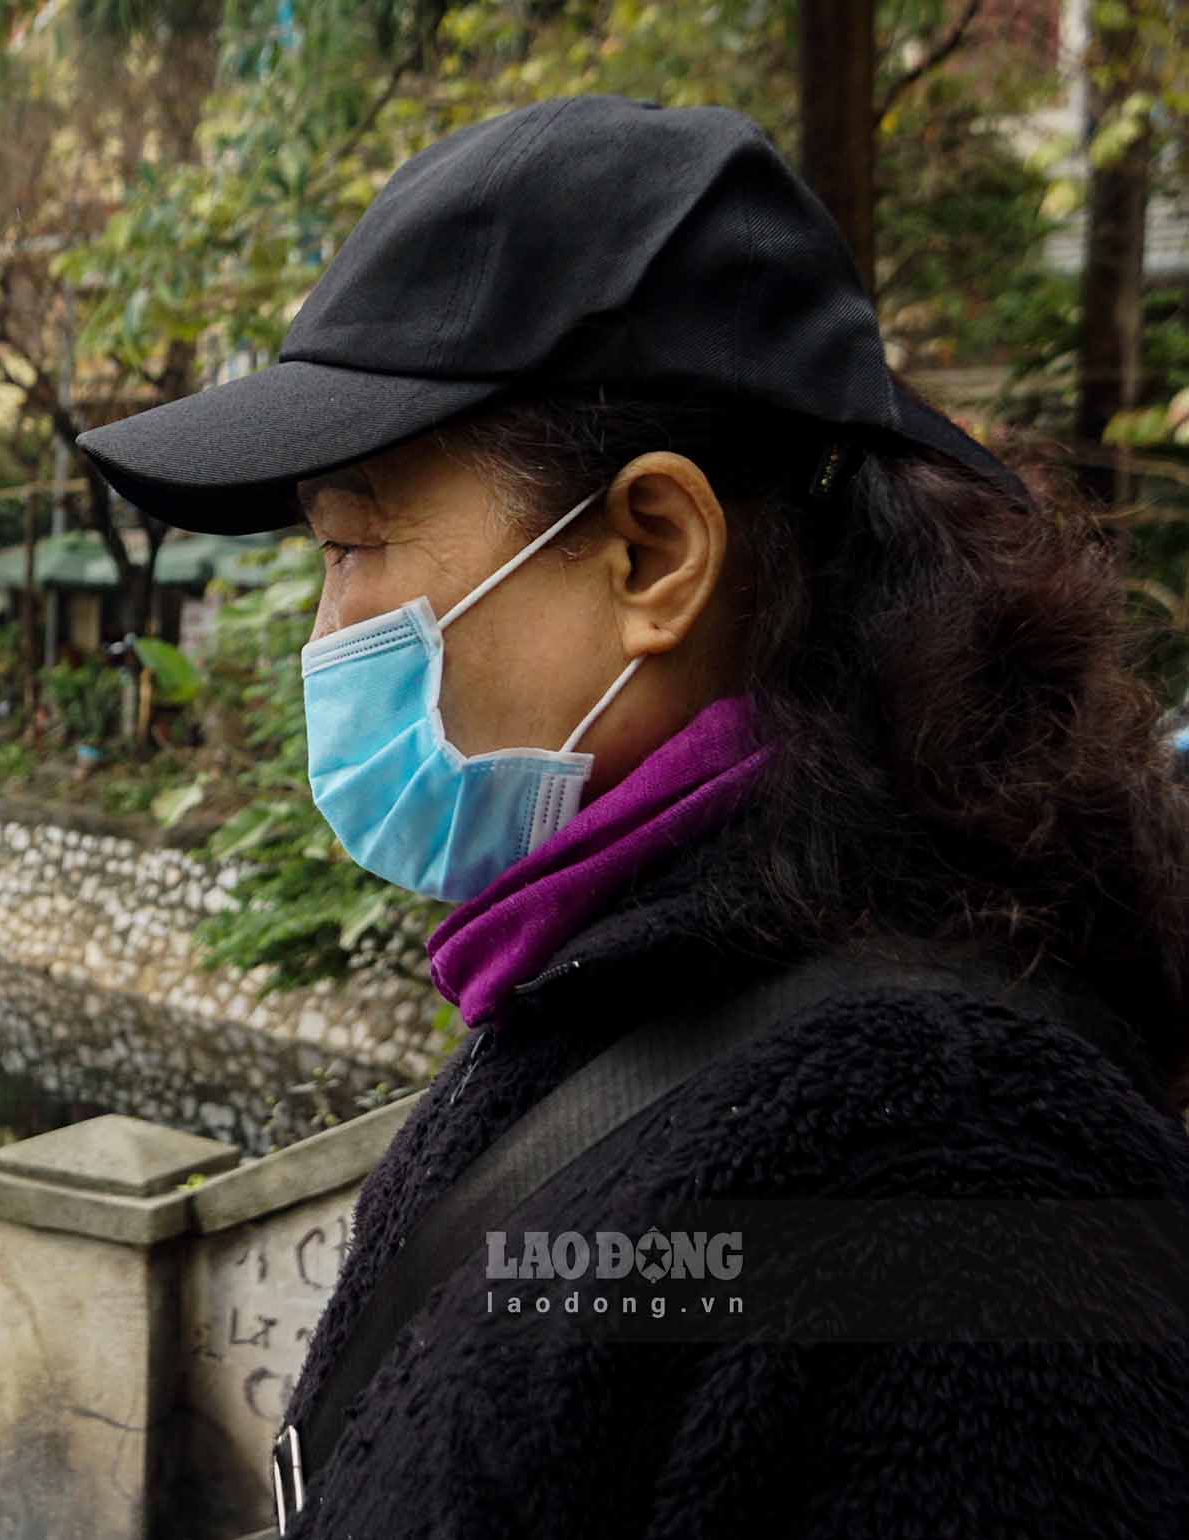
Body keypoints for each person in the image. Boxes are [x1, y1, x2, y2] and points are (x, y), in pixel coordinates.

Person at [78, 96, 1189, 1538]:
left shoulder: (956, 1179)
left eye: (353, 547)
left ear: (652, 552)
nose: (325, 629)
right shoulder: (633, 985)